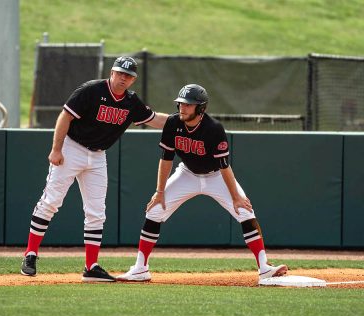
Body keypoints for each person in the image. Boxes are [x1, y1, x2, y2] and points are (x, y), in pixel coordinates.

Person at [116, 84, 288, 282]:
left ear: (201, 108)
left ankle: (264, 268)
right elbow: (166, 159)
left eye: (189, 105)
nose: (183, 108)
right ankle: (140, 268)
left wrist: (235, 198)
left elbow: (225, 167)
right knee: (154, 211)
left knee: (245, 212)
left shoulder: (213, 129)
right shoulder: (173, 124)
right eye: (181, 103)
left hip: (216, 176)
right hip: (187, 174)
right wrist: (159, 191)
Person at [20, 56, 168, 282]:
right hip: (72, 148)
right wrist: (56, 149)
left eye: (128, 75)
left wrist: (183, 120)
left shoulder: (130, 102)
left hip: (98, 155)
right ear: (112, 72)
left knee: (97, 212)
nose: (123, 78)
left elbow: (154, 119)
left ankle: (91, 267)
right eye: (120, 73)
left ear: (133, 80)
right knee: (51, 201)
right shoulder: (91, 90)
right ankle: (30, 254)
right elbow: (65, 116)